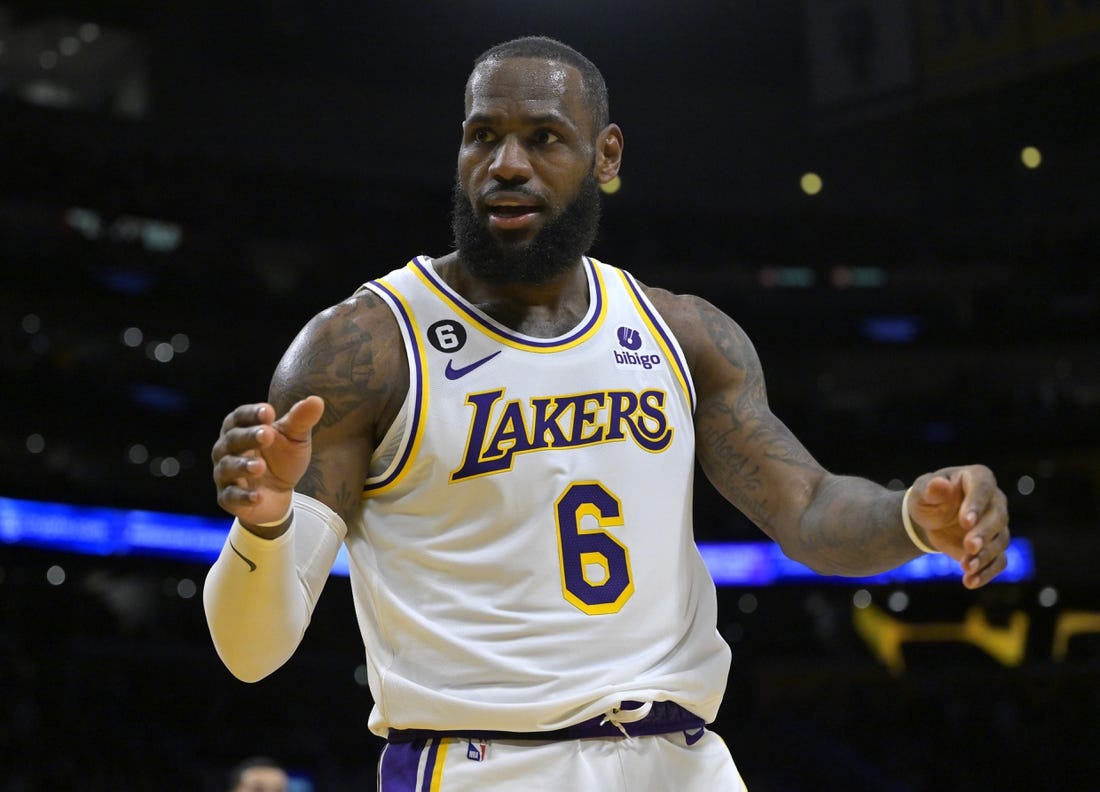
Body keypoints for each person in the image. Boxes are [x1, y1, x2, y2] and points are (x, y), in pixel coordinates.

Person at [204, 36, 1010, 790]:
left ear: (607, 155)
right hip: (488, 766)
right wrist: (264, 524)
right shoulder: (363, 348)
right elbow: (249, 653)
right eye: (482, 136)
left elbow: (807, 507)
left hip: (682, 760)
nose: (506, 165)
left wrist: (910, 517)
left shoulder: (685, 333)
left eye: (544, 138)